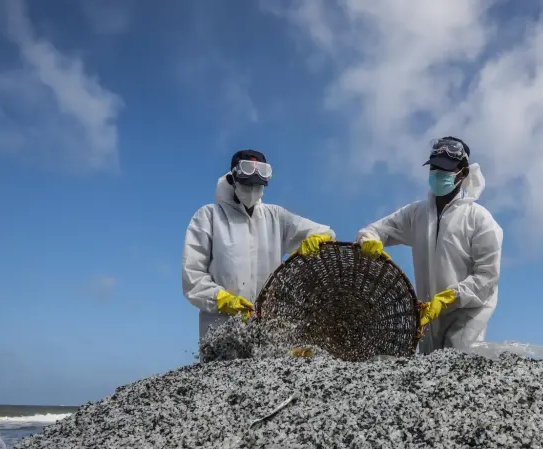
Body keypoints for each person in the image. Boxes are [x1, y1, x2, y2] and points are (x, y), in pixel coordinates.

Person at [357, 137, 503, 354]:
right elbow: (374, 231)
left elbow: (487, 275)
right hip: (428, 312)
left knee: (458, 366)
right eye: (434, 168)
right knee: (429, 375)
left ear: (462, 173)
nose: (438, 174)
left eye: (445, 169)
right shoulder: (416, 214)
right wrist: (369, 241)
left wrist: (450, 297)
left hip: (467, 313)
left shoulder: (480, 219)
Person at [182, 149, 336, 341]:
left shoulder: (276, 217)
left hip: (268, 328)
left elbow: (325, 233)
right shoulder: (209, 217)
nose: (253, 191)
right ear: (232, 180)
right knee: (223, 369)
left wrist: (318, 239)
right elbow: (192, 276)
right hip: (220, 328)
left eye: (258, 186)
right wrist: (220, 299)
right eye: (247, 186)